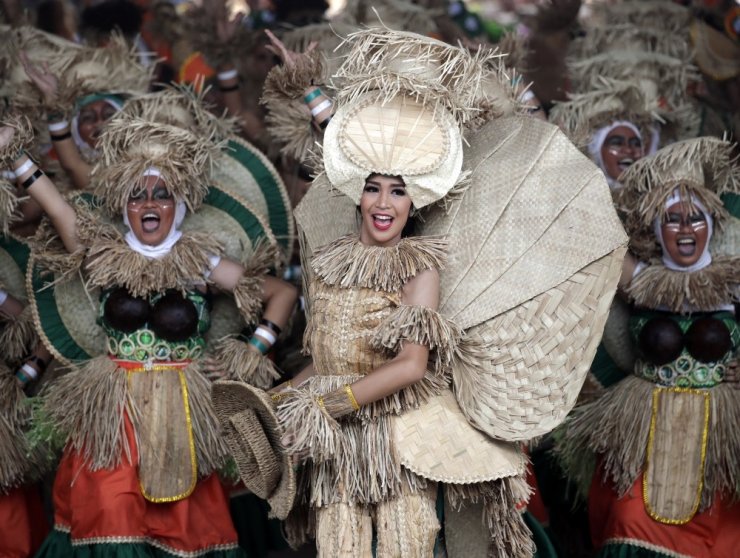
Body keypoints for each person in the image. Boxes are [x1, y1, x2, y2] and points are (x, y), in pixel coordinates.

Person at [215, 28, 627, 558]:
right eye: (374, 187)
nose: (384, 202)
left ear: (415, 203)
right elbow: (331, 359)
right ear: (358, 194)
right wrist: (284, 400)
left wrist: (328, 404)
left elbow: (411, 366)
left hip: (396, 442)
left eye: (399, 190)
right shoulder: (330, 260)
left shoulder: (420, 268)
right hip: (336, 445)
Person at [0, 87, 298, 556]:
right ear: (124, 206)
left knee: (182, 530)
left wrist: (254, 349)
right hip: (113, 415)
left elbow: (282, 293)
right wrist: (14, 156)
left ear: (178, 203)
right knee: (110, 519)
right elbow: (58, 207)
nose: (149, 204)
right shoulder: (104, 253)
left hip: (182, 414)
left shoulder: (201, 261)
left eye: (160, 194)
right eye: (137, 196)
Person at [559, 136, 740, 558]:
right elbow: (589, 233)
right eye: (673, 219)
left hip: (717, 430)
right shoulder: (640, 279)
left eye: (695, 218)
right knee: (628, 516)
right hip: (645, 427)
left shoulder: (732, 281)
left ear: (711, 225)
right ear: (658, 229)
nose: (685, 229)